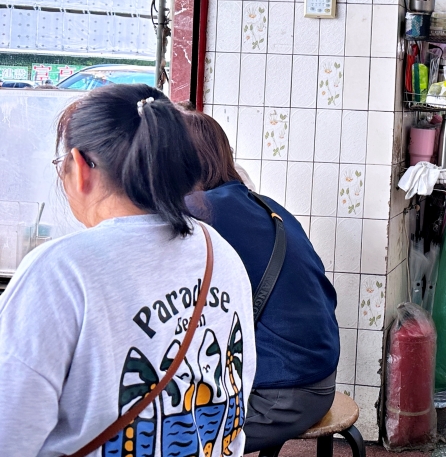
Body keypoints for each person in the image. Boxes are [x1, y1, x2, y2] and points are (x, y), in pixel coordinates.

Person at [0, 85, 256, 456]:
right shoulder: (220, 251)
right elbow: (234, 402)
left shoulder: (61, 270)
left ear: (82, 166)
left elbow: (9, 433)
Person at [182, 110, 340, 452]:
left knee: (163, 434)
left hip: (281, 398)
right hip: (316, 379)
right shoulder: (267, 205)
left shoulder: (198, 212)